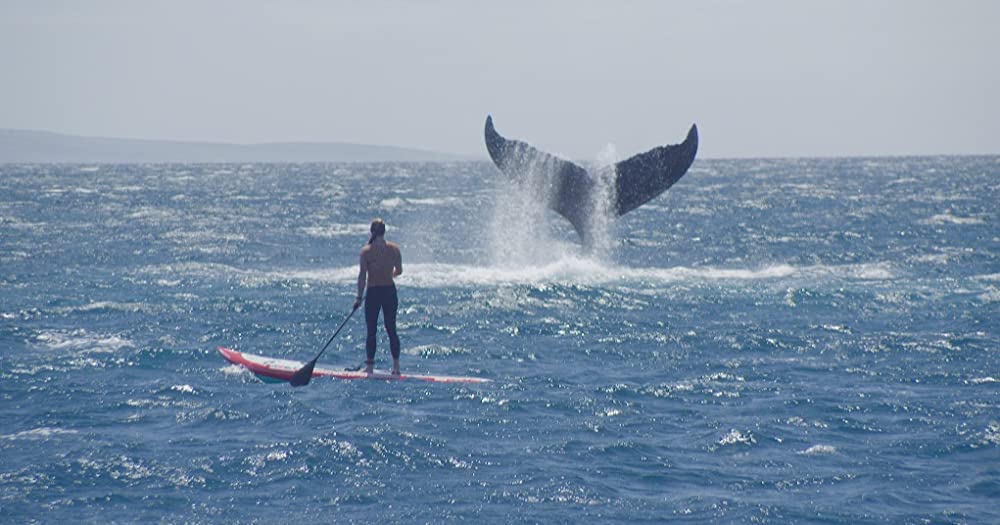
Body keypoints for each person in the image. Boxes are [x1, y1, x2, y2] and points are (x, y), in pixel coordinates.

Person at [352, 218, 403, 375]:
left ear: (372, 232)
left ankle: (370, 367)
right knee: (391, 329)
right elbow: (399, 270)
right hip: (389, 291)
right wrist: (387, 275)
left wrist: (358, 298)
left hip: (374, 293)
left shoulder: (366, 251)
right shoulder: (394, 249)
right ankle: (396, 367)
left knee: (371, 330)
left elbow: (362, 277)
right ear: (384, 231)